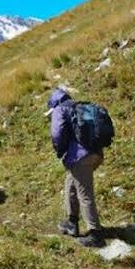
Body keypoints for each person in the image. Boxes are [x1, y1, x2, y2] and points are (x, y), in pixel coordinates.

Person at [47, 88, 107, 247]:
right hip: (96, 153)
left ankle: (95, 234)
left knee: (84, 193)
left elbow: (57, 133)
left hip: (81, 157)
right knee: (70, 183)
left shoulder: (60, 109)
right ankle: (71, 222)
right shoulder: (78, 106)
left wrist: (60, 151)